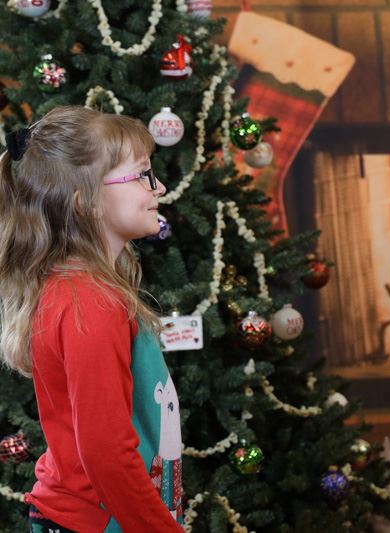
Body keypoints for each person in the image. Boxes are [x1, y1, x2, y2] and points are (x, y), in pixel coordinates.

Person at [0, 106, 184, 532]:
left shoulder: (84, 288)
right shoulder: (90, 302)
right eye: (142, 175)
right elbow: (107, 454)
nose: (159, 187)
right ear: (84, 203)